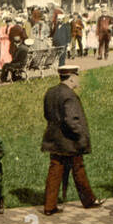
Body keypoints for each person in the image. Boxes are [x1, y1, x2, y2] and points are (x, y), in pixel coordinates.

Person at [41, 65, 102, 214]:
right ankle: (89, 200)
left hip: (53, 139)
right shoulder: (69, 95)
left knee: (55, 171)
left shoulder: (51, 92)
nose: (78, 80)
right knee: (78, 169)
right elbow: (71, 120)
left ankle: (49, 206)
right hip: (70, 141)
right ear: (72, 77)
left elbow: (47, 115)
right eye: (77, 77)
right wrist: (81, 135)